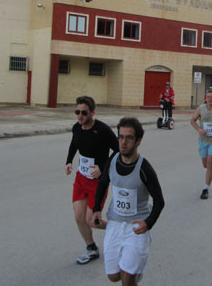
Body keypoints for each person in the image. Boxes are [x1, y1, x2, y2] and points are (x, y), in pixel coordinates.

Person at [91, 117, 165, 285]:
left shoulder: (144, 168)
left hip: (136, 227)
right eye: (121, 137)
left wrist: (148, 223)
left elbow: (159, 201)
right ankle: (132, 271)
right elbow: (103, 182)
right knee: (113, 276)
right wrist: (96, 209)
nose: (123, 142)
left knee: (127, 275)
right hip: (115, 224)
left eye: (129, 138)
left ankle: (133, 269)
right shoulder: (113, 160)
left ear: (138, 141)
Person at [65, 96, 119, 265]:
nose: (80, 116)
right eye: (77, 112)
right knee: (79, 217)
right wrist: (68, 161)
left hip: (98, 182)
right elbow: (74, 144)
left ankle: (121, 229)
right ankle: (91, 248)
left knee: (93, 221)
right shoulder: (77, 128)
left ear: (92, 113)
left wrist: (102, 167)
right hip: (81, 178)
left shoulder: (102, 130)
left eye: (84, 112)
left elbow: (118, 150)